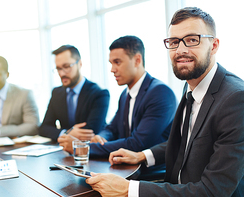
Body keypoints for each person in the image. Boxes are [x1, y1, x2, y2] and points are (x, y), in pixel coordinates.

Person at [85, 7, 244, 197]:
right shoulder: (192, 85)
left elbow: (212, 191)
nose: (181, 50)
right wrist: (142, 156)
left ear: (214, 45)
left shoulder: (236, 99)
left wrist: (129, 190)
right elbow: (185, 142)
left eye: (192, 40)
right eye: (174, 42)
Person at [58, 36, 177, 159]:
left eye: (117, 62)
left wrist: (83, 148)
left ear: (137, 60)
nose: (112, 69)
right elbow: (112, 128)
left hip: (152, 172)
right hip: (126, 165)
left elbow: (138, 143)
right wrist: (102, 137)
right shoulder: (125, 94)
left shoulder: (160, 93)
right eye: (111, 63)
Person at [39, 45, 110, 142]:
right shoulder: (56, 93)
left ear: (80, 64)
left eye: (66, 67)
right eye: (58, 68)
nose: (62, 73)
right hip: (62, 150)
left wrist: (66, 134)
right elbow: (44, 128)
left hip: (89, 150)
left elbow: (91, 131)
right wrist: (67, 133)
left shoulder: (99, 94)